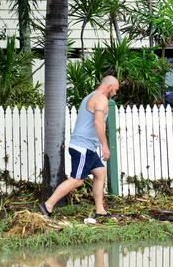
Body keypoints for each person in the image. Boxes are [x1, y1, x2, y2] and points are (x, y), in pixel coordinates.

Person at [39, 75, 120, 217]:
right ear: (110, 87)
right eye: (115, 90)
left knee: (100, 172)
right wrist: (105, 146)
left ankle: (100, 210)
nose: (115, 93)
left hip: (86, 147)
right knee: (77, 180)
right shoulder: (101, 98)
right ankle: (48, 205)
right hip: (83, 146)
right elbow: (98, 123)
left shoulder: (91, 96)